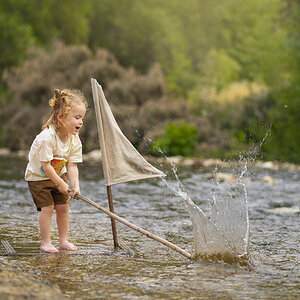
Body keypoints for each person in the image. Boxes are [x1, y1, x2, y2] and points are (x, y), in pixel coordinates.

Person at [25, 89, 88, 253]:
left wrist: (75, 186)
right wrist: (60, 183)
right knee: (48, 208)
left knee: (63, 207)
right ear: (60, 117)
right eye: (77, 117)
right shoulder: (47, 137)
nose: (81, 122)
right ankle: (46, 242)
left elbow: (72, 166)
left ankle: (63, 241)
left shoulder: (74, 139)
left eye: (82, 118)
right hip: (38, 177)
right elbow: (46, 166)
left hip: (58, 175)